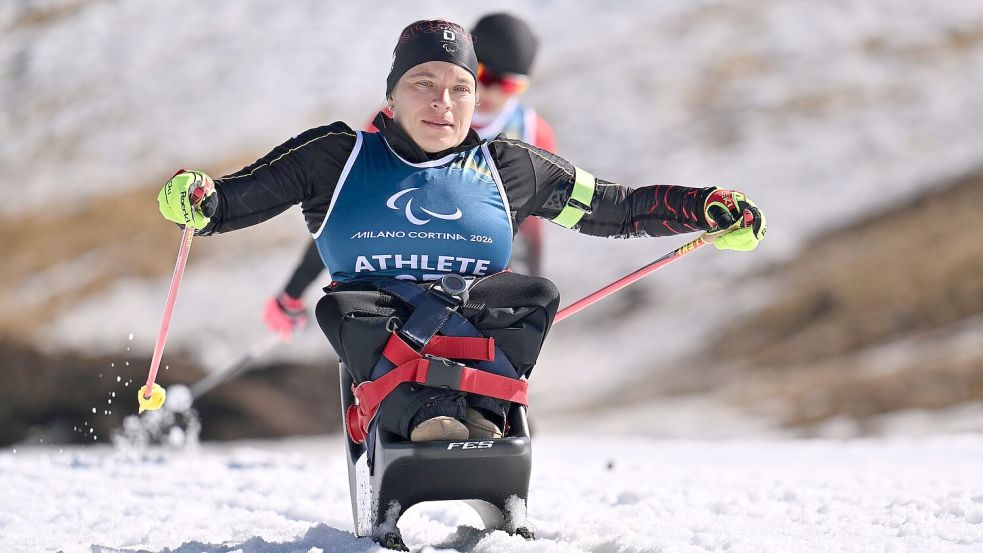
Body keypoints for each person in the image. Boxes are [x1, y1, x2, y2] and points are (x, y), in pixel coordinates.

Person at [157, 19, 766, 443]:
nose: (442, 103)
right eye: (423, 83)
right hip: (379, 327)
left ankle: (475, 414)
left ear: (475, 101)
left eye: (459, 89)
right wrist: (198, 199)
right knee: (344, 307)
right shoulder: (334, 156)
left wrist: (703, 208)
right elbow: (231, 203)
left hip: (469, 327)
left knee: (535, 295)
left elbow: (616, 207)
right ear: (391, 96)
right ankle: (432, 417)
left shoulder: (511, 167)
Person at [264, 13, 555, 343]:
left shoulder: (533, 133)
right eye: (484, 75)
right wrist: (293, 291)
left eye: (508, 85)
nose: (489, 91)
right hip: (398, 286)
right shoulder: (401, 117)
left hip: (476, 292)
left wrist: (532, 309)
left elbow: (532, 229)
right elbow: (346, 210)